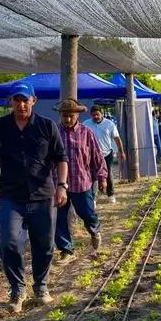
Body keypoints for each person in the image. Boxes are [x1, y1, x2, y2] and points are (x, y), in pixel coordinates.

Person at [0, 82, 68, 313]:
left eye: (25, 100)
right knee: (9, 242)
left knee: (45, 245)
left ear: (34, 101)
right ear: (10, 102)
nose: (21, 104)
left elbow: (61, 158)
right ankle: (17, 289)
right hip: (11, 196)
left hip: (43, 196)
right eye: (16, 100)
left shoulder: (47, 126)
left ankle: (40, 287)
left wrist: (62, 186)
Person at [53, 99, 108, 265]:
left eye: (71, 116)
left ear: (77, 115)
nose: (67, 119)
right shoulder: (54, 132)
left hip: (81, 182)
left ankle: (94, 229)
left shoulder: (86, 132)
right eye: (64, 116)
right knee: (60, 217)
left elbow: (97, 157)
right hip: (59, 184)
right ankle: (66, 250)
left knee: (87, 213)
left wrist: (102, 177)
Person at [84, 105, 125, 204]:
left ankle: (110, 194)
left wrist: (121, 151)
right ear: (91, 115)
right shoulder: (86, 124)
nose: (96, 117)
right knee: (93, 176)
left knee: (108, 174)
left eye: (97, 114)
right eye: (93, 115)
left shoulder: (109, 124)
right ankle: (93, 198)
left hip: (106, 154)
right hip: (92, 155)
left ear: (101, 114)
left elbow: (117, 138)